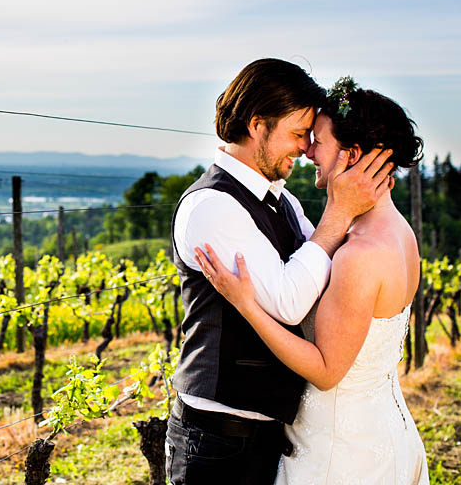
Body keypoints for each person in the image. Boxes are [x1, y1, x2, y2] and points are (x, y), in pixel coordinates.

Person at [166, 59, 394, 485]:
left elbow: (329, 263)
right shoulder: (212, 206)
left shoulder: (283, 200)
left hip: (264, 435)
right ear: (257, 126)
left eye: (311, 137)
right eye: (296, 134)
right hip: (218, 443)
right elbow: (289, 303)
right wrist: (341, 210)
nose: (305, 148)